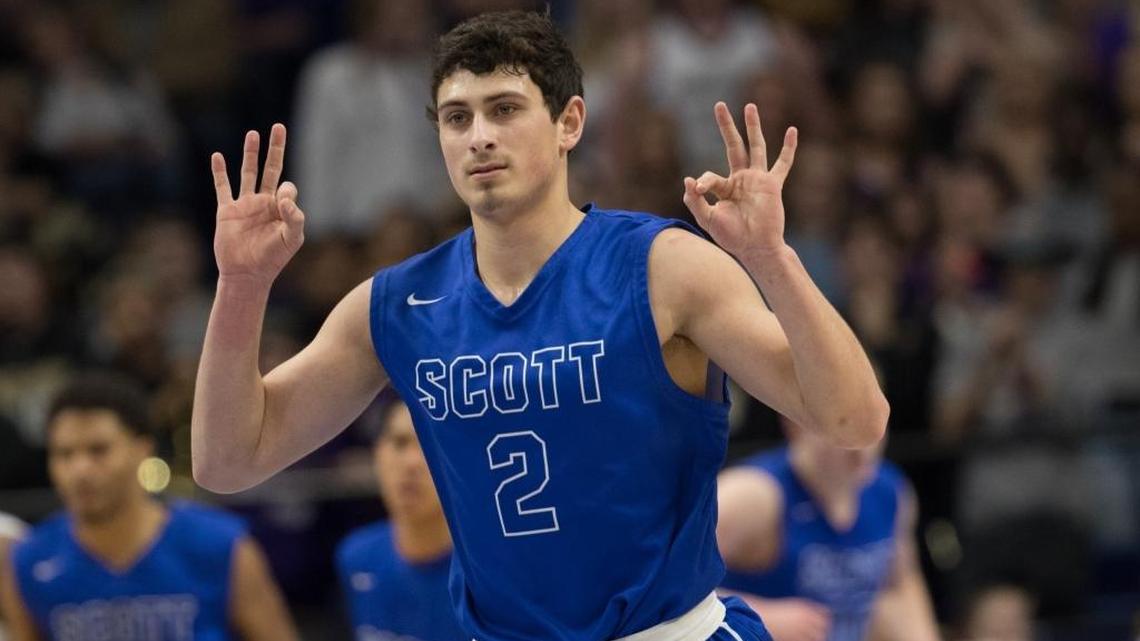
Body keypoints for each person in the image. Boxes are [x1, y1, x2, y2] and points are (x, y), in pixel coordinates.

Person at [192, 10, 888, 641]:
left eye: (504, 109)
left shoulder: (662, 267)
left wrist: (771, 259)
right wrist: (243, 286)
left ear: (569, 122)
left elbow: (854, 419)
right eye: (457, 117)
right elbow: (227, 460)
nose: (480, 136)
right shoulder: (397, 304)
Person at [0, 374, 298, 641]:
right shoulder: (29, 559)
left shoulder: (221, 545)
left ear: (142, 449)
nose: (80, 470)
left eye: (98, 450)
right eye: (64, 454)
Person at [717, 419, 940, 641]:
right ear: (796, 426)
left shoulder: (891, 492)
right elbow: (683, 585)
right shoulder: (751, 495)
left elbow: (900, 584)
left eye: (874, 429)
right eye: (845, 432)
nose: (862, 449)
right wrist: (756, 615)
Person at [337, 396, 465, 641]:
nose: (411, 463)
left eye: (430, 443)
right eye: (399, 442)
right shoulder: (356, 556)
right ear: (376, 455)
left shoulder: (489, 571)